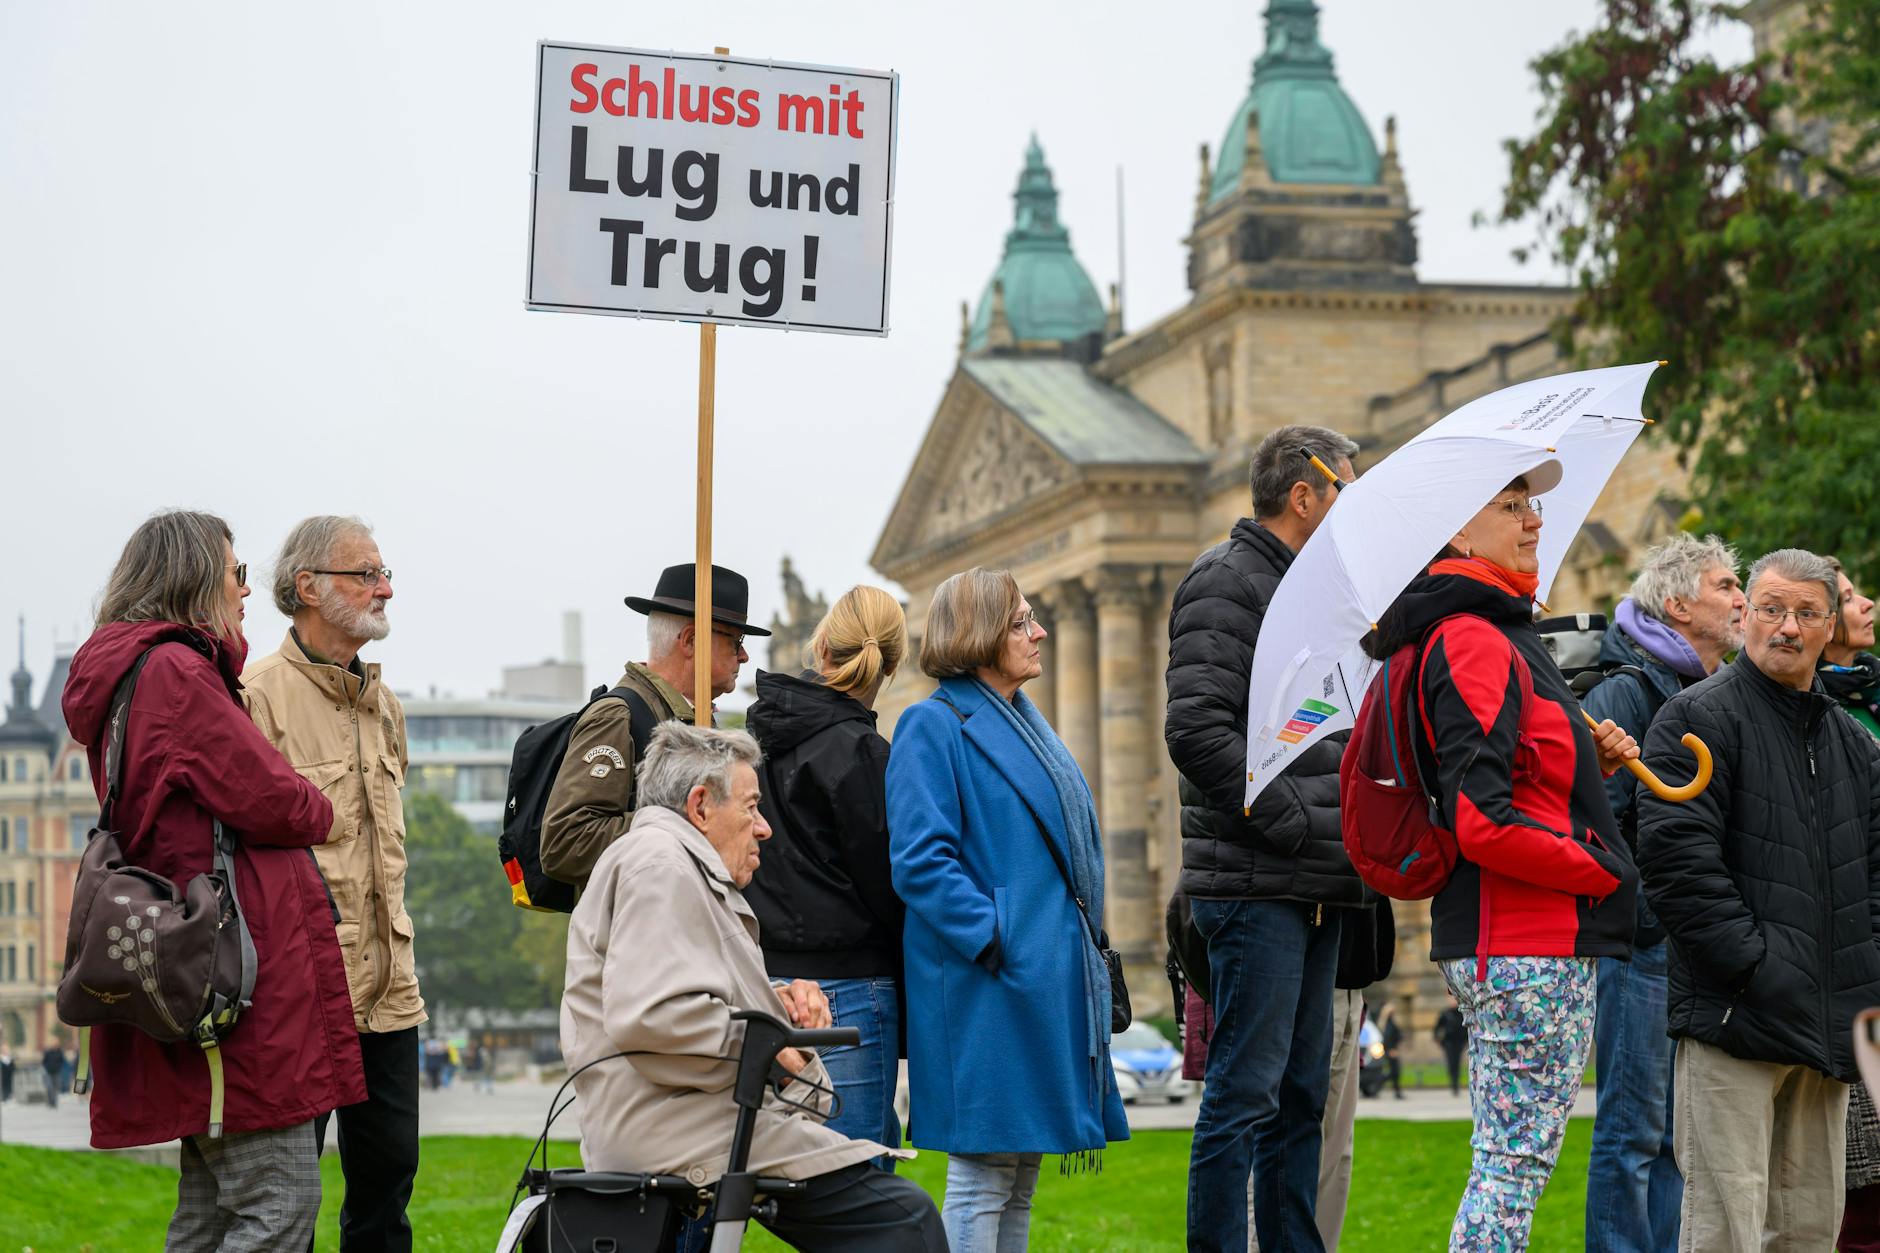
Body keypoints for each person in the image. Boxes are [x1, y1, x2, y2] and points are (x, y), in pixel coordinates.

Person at [61, 509, 362, 1249]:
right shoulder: (177, 670)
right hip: (239, 987)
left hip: (207, 968)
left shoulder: (137, 670)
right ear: (196, 578)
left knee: (208, 1211)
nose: (246, 591)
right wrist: (320, 803)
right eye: (236, 575)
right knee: (280, 1199)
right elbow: (271, 795)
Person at [1365, 468, 1639, 1251]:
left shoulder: (1480, 628)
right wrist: (1605, 870)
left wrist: (1593, 770)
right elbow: (1481, 819)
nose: (1532, 523)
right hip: (1525, 935)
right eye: (1511, 507)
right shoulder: (1475, 638)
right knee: (1511, 1173)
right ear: (1457, 531)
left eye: (1533, 506)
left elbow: (1517, 781)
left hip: (1508, 936)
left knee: (1504, 1165)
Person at [561, 722, 945, 1251]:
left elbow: (677, 998)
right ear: (700, 807)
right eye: (751, 807)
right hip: (678, 1129)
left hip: (683, 1118)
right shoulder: (660, 864)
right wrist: (772, 1047)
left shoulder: (668, 863)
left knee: (894, 1211)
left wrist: (773, 1003)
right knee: (905, 1217)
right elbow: (654, 1018)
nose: (764, 828)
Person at [1164, 425, 1373, 1253]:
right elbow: (1196, 730)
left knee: (1299, 1100)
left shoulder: (1316, 589)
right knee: (1244, 1095)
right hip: (1257, 882)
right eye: (1345, 494)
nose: (1353, 513)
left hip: (1316, 884)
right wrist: (1293, 826)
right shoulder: (1225, 580)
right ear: (1304, 495)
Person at [1638, 548, 1880, 1252]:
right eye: (1771, 607)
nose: (1786, 626)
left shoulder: (1853, 746)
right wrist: (1759, 970)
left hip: (1826, 1025)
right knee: (1724, 1227)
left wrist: (1859, 976)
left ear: (1828, 623)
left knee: (1808, 1228)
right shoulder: (1694, 718)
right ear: (1746, 615)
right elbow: (1678, 869)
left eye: (1806, 612)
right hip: (1733, 1016)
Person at [887, 567, 1129, 1251]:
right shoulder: (931, 724)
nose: (1039, 629)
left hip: (1035, 979)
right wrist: (999, 936)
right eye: (1022, 620)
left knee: (1018, 1175)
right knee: (982, 1178)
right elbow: (920, 860)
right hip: (988, 984)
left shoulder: (1025, 723)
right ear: (981, 634)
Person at [242, 515, 422, 1253]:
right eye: (365, 573)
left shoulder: (386, 706)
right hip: (304, 993)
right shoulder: (256, 699)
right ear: (307, 586)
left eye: (385, 574)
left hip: (392, 992)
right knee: (290, 1199)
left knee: (388, 1187)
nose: (384, 588)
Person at [1582, 532, 1744, 1253]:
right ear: (1677, 604)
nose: (1742, 599)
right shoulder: (1627, 690)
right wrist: (1654, 918)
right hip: (1645, 947)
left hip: (1692, 945)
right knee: (1632, 1130)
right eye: (1724, 586)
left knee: (1679, 1133)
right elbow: (1604, 828)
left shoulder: (1710, 693)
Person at [744, 585, 908, 1162]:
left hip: (771, 980)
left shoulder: (756, 742)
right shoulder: (862, 751)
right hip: (851, 982)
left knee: (801, 1175)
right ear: (890, 664)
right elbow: (888, 882)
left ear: (821, 650)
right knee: (861, 1172)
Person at [540, 563, 766, 892]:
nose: (744, 656)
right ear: (691, 640)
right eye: (735, 640)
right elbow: (565, 843)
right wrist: (691, 825)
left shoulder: (695, 718)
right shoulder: (618, 717)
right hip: (640, 931)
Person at [1824, 558, 1880, 1253]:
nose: (1868, 603)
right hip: (1856, 944)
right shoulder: (1818, 712)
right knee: (1862, 1166)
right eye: (1848, 597)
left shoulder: (1871, 693)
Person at [1434, 996, 1466, 1097]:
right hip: (1448, 1043)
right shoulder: (1445, 1013)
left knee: (1457, 1064)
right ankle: (1454, 1084)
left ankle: (1456, 1084)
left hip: (1459, 1042)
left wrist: (1465, 1041)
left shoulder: (1461, 1013)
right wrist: (1438, 1040)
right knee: (1451, 1064)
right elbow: (1437, 1028)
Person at [1377, 1000, 1405, 1100]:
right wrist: (1391, 1050)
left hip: (1393, 1050)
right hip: (1392, 1051)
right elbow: (1388, 1038)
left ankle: (1396, 1091)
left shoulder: (1390, 1022)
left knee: (1394, 1072)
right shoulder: (1389, 1023)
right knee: (1394, 1072)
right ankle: (1378, 1084)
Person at [42, 1041, 64, 1110]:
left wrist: (59, 1067)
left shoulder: (60, 1052)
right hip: (48, 1072)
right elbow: (44, 1061)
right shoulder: (48, 1052)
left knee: (55, 1088)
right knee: (49, 1087)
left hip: (57, 1072)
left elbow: (62, 1061)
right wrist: (47, 1068)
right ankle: (50, 1102)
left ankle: (54, 1103)